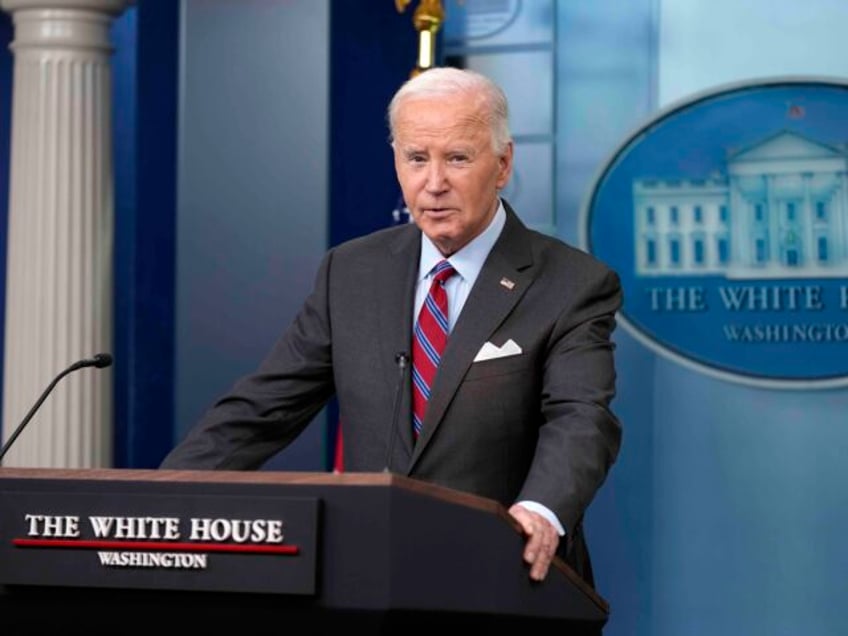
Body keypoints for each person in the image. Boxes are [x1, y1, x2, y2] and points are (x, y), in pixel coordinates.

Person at [160, 66, 622, 590]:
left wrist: (541, 510)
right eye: (417, 158)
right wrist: (159, 496)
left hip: (508, 579)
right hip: (374, 580)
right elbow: (264, 408)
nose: (434, 183)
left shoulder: (572, 283)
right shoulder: (352, 272)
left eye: (458, 158)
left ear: (503, 163)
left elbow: (581, 418)